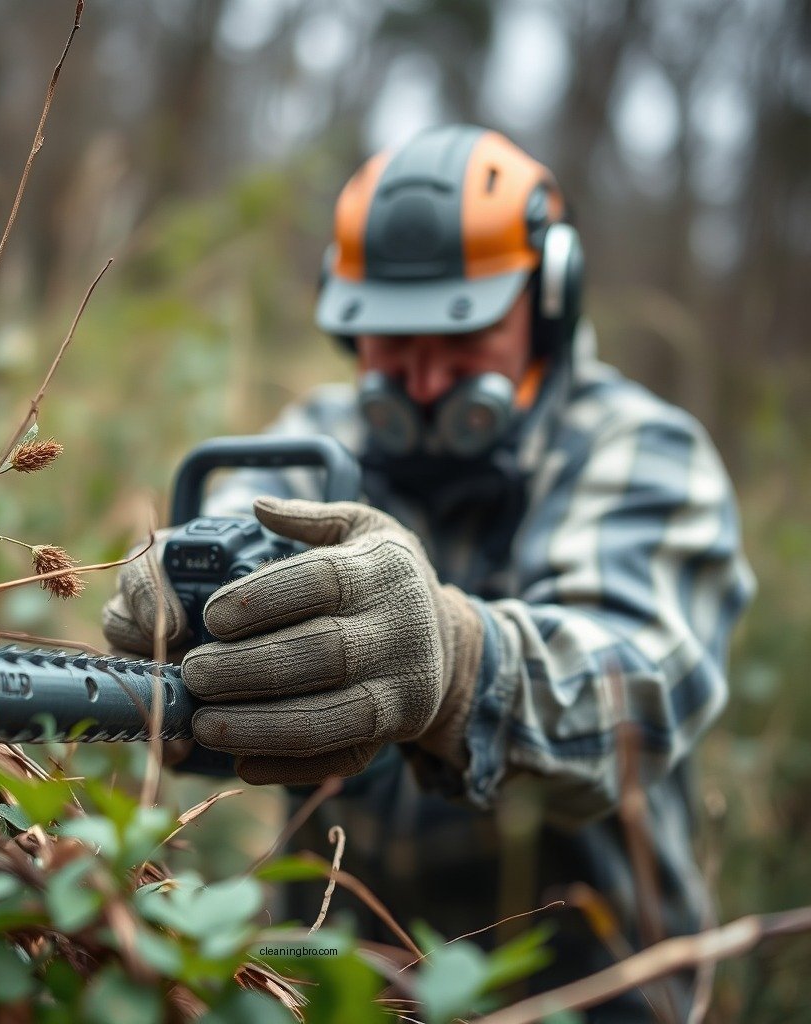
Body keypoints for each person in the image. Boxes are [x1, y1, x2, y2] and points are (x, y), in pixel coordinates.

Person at [101, 125, 755, 1021]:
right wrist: (189, 597)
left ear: (549, 302)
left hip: (590, 990)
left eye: (463, 332)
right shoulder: (315, 440)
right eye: (391, 338)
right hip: (338, 983)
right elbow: (234, 521)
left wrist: (456, 660)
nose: (422, 380)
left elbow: (633, 695)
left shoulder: (643, 453)